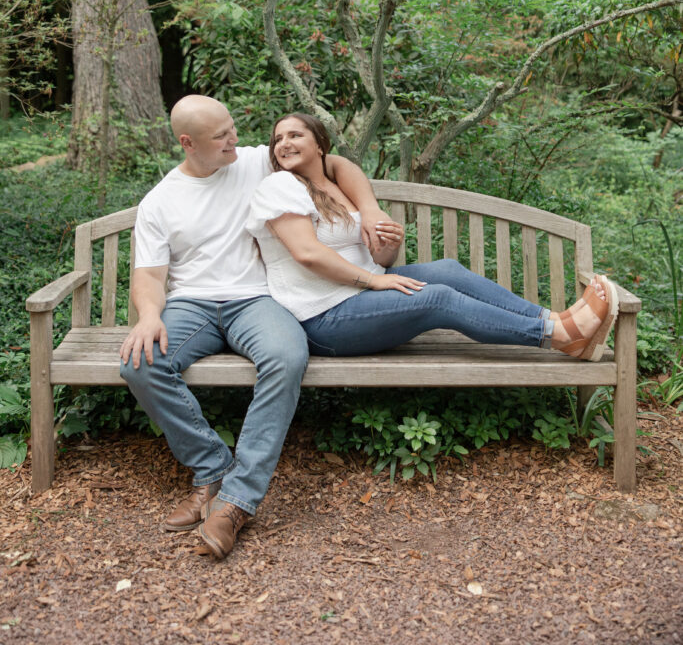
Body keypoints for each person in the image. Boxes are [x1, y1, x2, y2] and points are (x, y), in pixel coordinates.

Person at [119, 95, 390, 561]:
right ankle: (212, 469)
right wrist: (149, 316)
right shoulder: (159, 201)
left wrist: (369, 209)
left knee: (286, 357)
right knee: (140, 364)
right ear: (189, 143)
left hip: (258, 299)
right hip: (192, 305)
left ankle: (236, 503)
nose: (235, 139)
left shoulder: (254, 162)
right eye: (222, 135)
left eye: (232, 127)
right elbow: (148, 276)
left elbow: (335, 160)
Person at [246, 113, 619, 363]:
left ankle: (557, 320)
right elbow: (308, 253)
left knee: (447, 270)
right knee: (436, 298)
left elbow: (381, 261)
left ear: (320, 145)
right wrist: (377, 280)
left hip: (362, 299)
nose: (284, 143)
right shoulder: (280, 185)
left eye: (295, 135)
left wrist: (385, 248)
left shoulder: (334, 179)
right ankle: (555, 335)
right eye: (278, 139)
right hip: (323, 319)